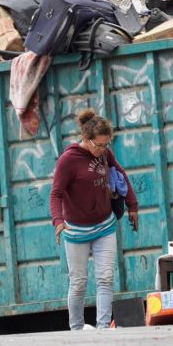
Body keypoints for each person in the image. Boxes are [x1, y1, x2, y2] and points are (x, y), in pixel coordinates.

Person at [49, 108, 139, 330]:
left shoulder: (105, 154)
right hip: (76, 231)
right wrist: (58, 220)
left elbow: (122, 175)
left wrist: (133, 206)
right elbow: (56, 193)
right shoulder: (68, 160)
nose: (103, 150)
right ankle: (77, 330)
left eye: (106, 144)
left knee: (105, 279)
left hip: (105, 226)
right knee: (79, 283)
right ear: (85, 139)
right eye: (98, 145)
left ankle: (102, 329)